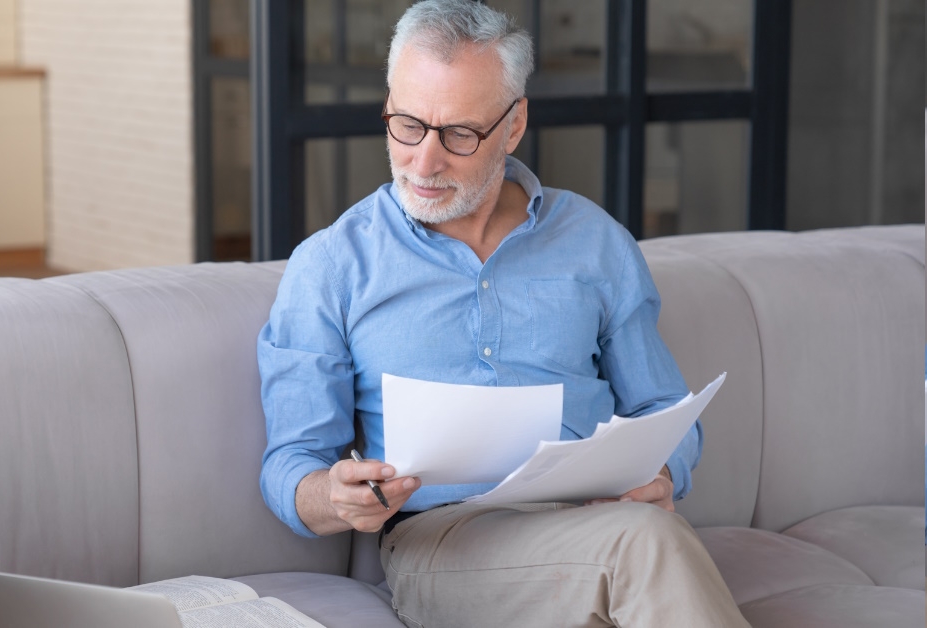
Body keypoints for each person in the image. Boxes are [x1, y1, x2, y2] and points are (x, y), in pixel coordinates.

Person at [257, 1, 749, 626]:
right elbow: (290, 462)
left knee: (637, 541)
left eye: (459, 134)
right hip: (445, 542)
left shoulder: (595, 242)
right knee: (643, 545)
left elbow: (665, 409)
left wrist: (661, 472)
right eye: (407, 124)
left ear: (514, 126)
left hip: (593, 518)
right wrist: (333, 495)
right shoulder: (332, 265)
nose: (424, 162)